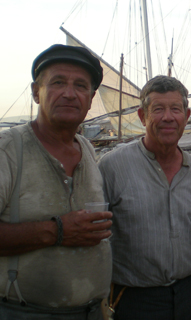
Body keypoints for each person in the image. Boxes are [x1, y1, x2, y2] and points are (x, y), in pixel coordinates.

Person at [0, 44, 112, 319]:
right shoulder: (9, 150)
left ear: (91, 97)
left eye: (81, 86)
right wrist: (57, 230)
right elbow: (65, 230)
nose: (70, 93)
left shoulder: (86, 147)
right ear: (36, 92)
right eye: (58, 82)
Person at [98, 75, 191, 319]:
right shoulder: (112, 167)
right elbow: (97, 238)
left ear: (186, 117)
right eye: (158, 109)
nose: (168, 117)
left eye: (175, 109)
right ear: (142, 116)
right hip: (135, 300)